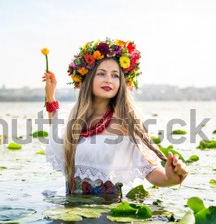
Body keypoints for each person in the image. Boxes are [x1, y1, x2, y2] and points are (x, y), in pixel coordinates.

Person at [42, 38, 188, 201]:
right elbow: (56, 126)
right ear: (89, 78)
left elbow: (150, 171)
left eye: (115, 75)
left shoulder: (124, 123)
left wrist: (170, 178)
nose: (108, 80)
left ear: (122, 82)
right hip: (71, 215)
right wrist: (50, 94)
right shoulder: (75, 118)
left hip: (108, 217)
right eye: (101, 73)